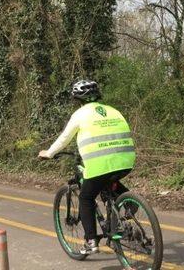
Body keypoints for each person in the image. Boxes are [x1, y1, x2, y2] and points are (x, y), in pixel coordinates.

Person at [38, 80, 136, 255]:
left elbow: (64, 138)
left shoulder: (80, 114)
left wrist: (49, 153)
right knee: (107, 182)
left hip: (100, 163)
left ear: (77, 99)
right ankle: (128, 203)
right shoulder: (113, 110)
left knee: (86, 197)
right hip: (126, 160)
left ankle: (91, 241)